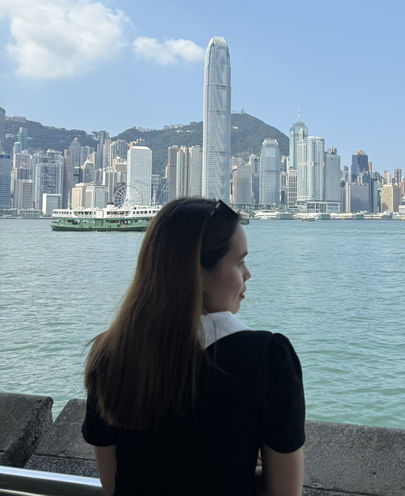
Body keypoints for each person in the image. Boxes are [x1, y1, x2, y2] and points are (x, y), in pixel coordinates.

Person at [82, 198, 305, 496]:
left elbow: (114, 483)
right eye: (239, 262)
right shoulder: (267, 360)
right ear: (197, 275)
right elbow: (286, 493)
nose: (247, 274)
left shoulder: (109, 355)